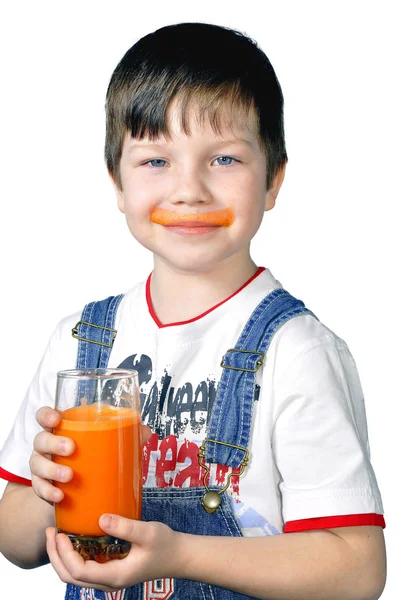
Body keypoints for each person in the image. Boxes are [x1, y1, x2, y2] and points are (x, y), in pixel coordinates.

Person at [0, 22, 386, 600]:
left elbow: (357, 571)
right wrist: (46, 492)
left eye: (224, 159)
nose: (190, 191)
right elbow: (15, 540)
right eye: (156, 162)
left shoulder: (294, 351)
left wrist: (181, 554)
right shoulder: (81, 341)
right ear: (117, 182)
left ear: (275, 178)